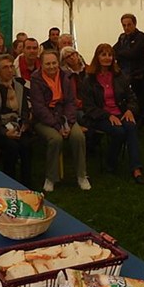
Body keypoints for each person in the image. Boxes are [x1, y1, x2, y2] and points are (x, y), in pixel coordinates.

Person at [82, 44, 144, 184]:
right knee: (119, 132)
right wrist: (107, 116)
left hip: (120, 112)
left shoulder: (118, 76)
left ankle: (136, 168)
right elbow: (88, 107)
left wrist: (129, 110)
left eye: (110, 55)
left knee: (131, 126)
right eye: (103, 55)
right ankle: (111, 164)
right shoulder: (89, 79)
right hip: (100, 116)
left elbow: (132, 97)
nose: (107, 58)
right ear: (97, 57)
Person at [30, 50, 91, 192]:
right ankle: (50, 177)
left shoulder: (66, 76)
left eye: (54, 63)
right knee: (55, 139)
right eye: (48, 64)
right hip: (45, 119)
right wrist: (57, 126)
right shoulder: (36, 78)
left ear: (58, 63)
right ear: (41, 64)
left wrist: (68, 123)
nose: (51, 67)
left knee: (78, 136)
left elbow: (70, 102)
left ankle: (81, 176)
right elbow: (39, 107)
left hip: (65, 116)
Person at [0, 54, 33, 185]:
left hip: (17, 125)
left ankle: (26, 184)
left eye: (11, 66)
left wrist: (24, 124)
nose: (10, 70)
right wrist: (4, 132)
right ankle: (9, 182)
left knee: (25, 145)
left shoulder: (19, 86)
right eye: (5, 67)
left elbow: (24, 110)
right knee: (11, 146)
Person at [113, 13, 144, 123]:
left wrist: (120, 53)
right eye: (124, 25)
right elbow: (113, 50)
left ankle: (137, 116)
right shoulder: (122, 37)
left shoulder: (141, 37)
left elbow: (133, 54)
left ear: (135, 24)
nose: (126, 28)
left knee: (123, 86)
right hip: (122, 70)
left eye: (129, 25)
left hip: (136, 71)